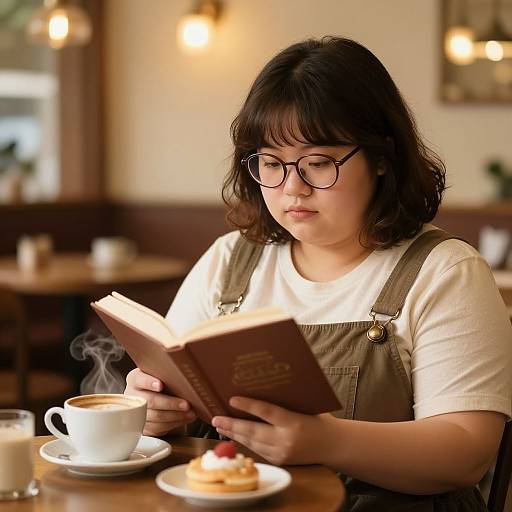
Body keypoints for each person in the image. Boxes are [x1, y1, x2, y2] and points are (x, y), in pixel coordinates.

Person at [125, 36, 512, 510]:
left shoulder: (444, 272)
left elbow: (466, 452)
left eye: (317, 164)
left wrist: (327, 441)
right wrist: (152, 409)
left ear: (382, 159)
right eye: (271, 163)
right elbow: (176, 389)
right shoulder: (231, 261)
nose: (292, 188)